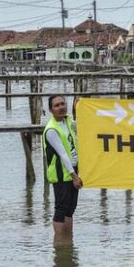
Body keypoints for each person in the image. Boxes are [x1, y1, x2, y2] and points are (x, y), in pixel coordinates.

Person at [43, 95, 83, 240]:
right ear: (50, 110)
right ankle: (59, 243)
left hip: (73, 170)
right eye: (57, 105)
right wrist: (74, 176)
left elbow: (81, 126)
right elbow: (63, 154)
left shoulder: (68, 122)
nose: (61, 107)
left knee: (70, 209)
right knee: (61, 208)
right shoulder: (51, 130)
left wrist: (80, 107)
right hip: (61, 173)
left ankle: (68, 242)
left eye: (62, 104)